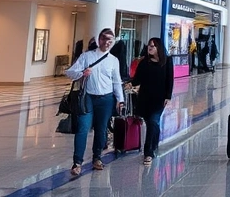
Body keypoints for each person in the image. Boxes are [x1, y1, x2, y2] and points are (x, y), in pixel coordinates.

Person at [64, 28, 125, 176]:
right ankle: (77, 162)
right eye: (104, 38)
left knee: (101, 129)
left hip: (106, 99)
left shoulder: (113, 60)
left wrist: (120, 100)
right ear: (99, 40)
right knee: (83, 128)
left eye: (110, 39)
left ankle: (97, 157)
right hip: (88, 98)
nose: (107, 42)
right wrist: (82, 73)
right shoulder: (87, 56)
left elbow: (116, 82)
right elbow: (69, 72)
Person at [130, 37, 173, 165]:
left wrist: (168, 96)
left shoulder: (167, 61)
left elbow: (170, 80)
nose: (150, 48)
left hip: (159, 99)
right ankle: (154, 144)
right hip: (145, 98)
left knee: (154, 121)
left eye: (152, 46)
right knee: (151, 124)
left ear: (158, 48)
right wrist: (130, 83)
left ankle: (148, 152)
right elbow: (137, 79)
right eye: (149, 46)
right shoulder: (144, 62)